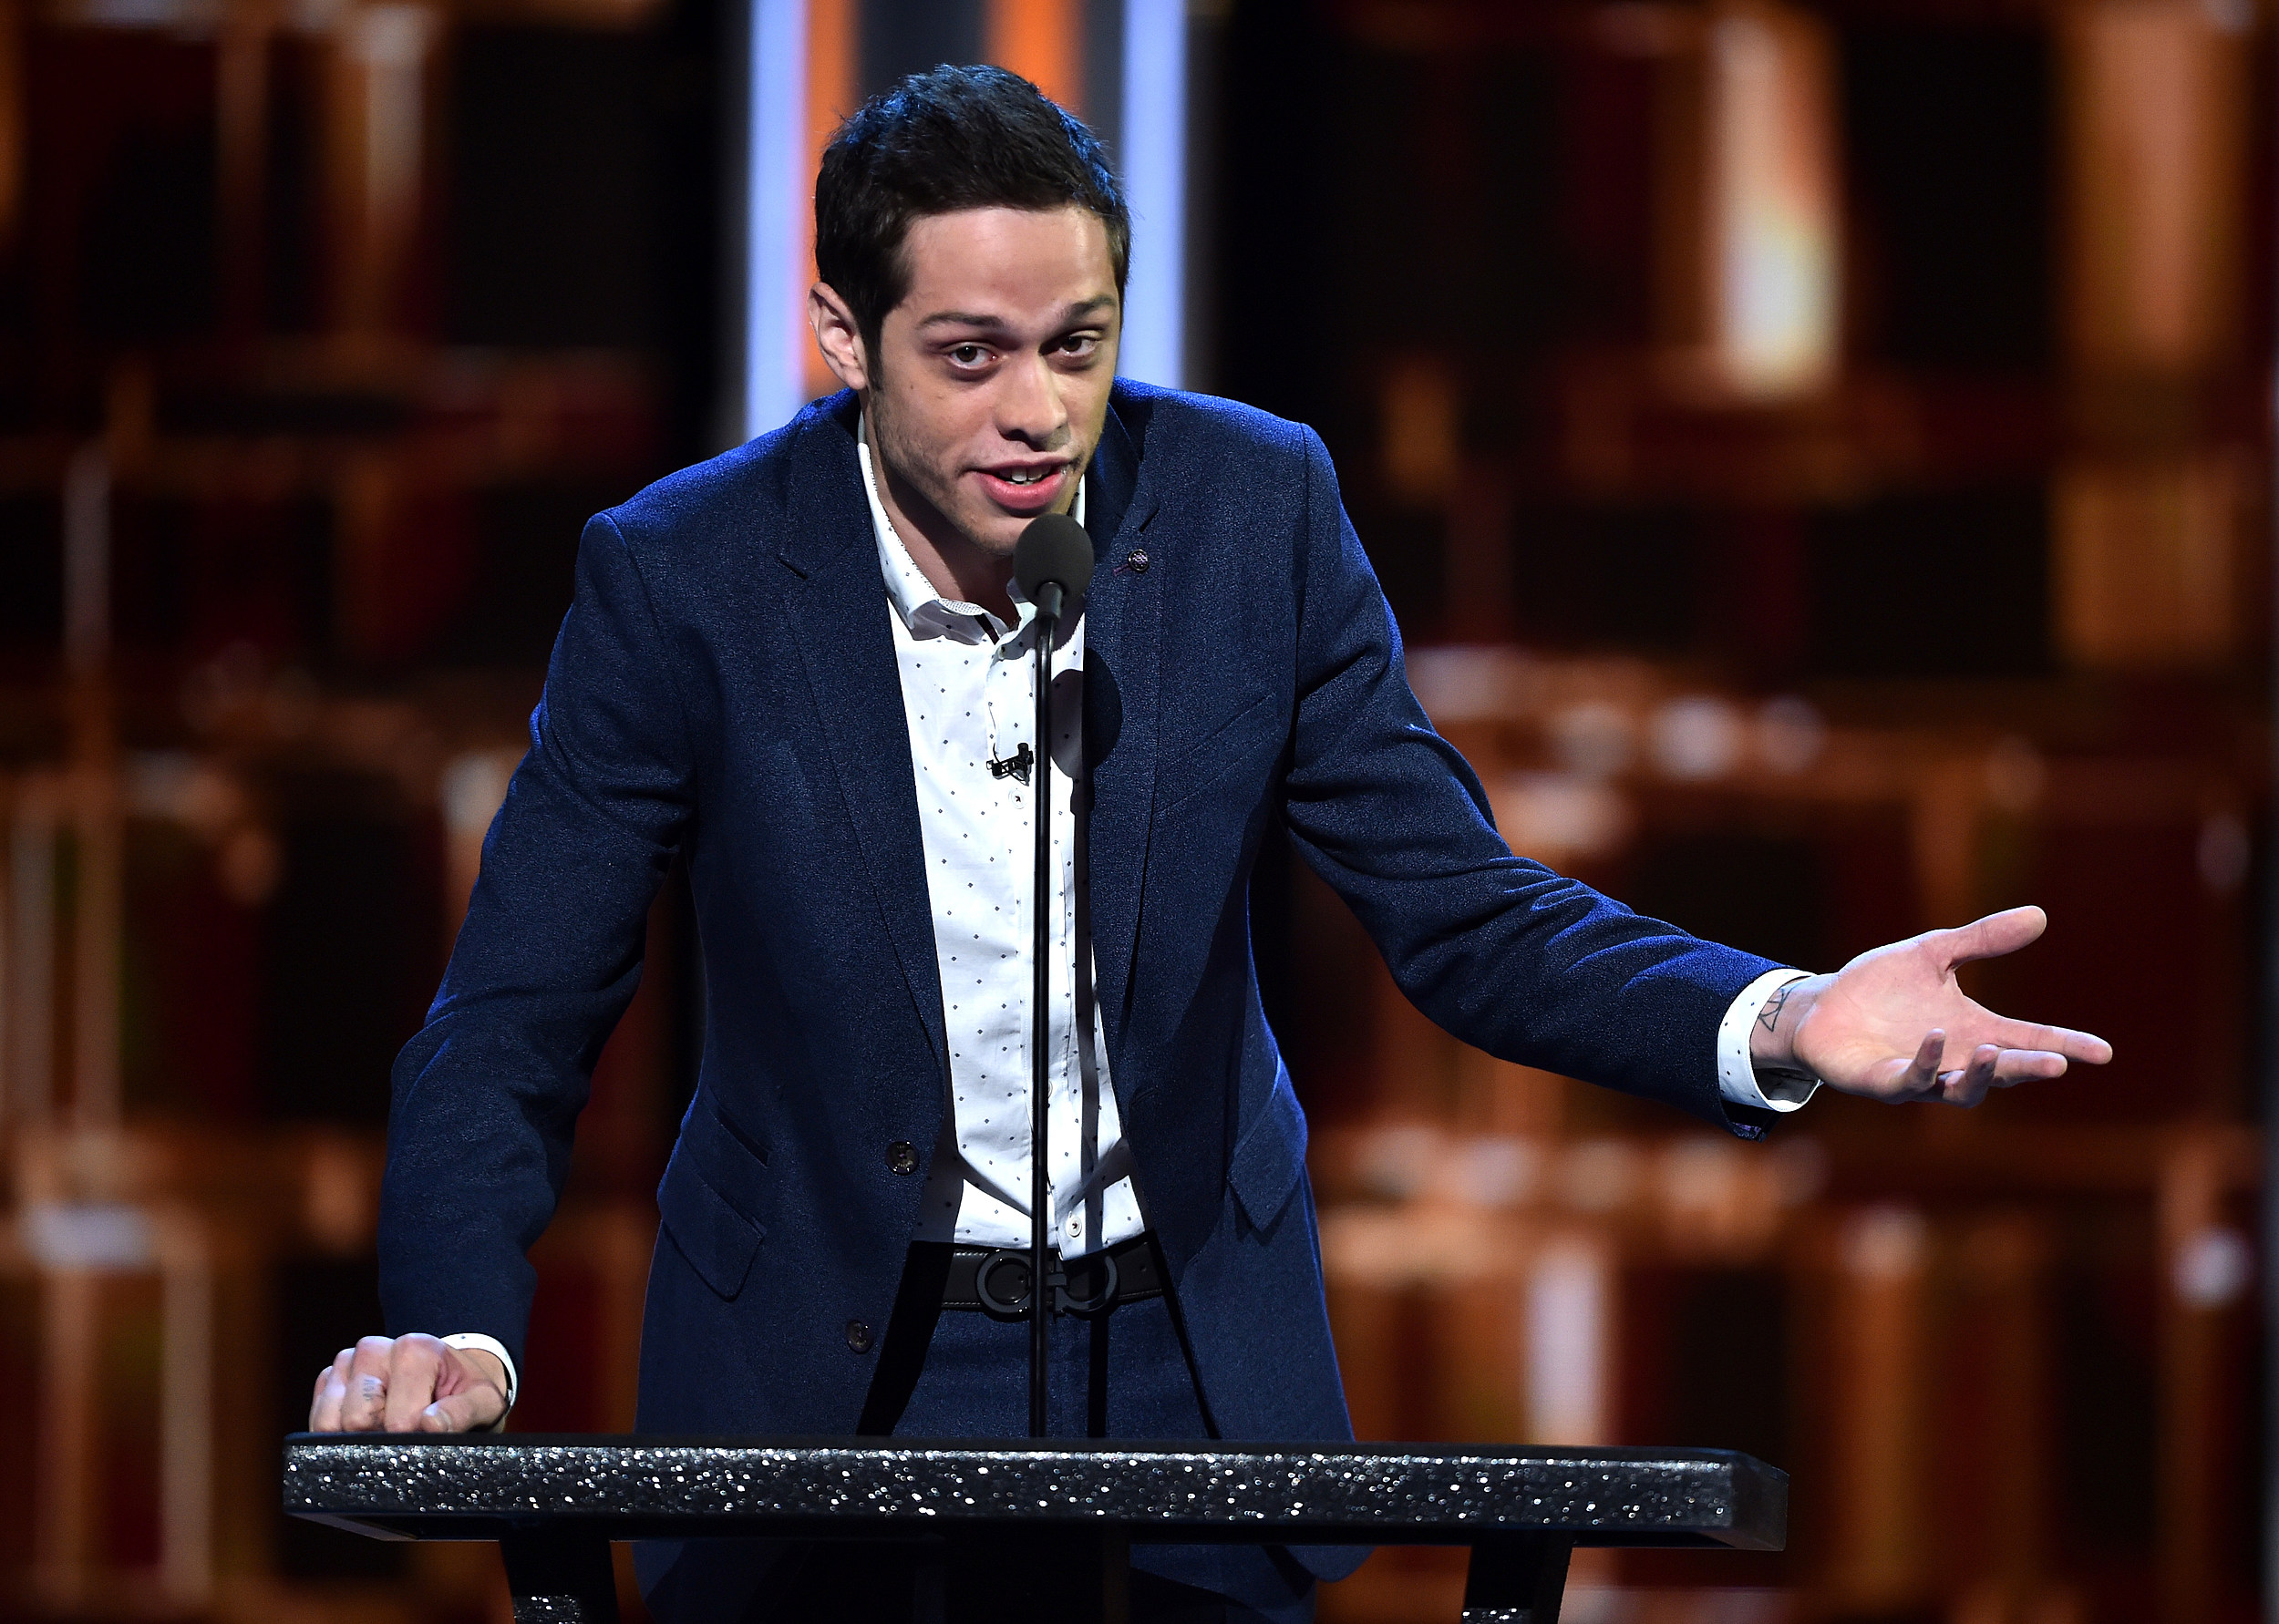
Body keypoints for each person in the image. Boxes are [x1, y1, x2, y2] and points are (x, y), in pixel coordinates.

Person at [310, 65, 2110, 1623]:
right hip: (819, 1364)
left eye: (1076, 345)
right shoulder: (685, 575)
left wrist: (1778, 1015)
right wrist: (457, 1330)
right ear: (843, 338)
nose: (1037, 408)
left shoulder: (1254, 512)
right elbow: (514, 1014)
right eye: (969, 355)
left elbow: (1461, 913)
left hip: (1180, 1369)